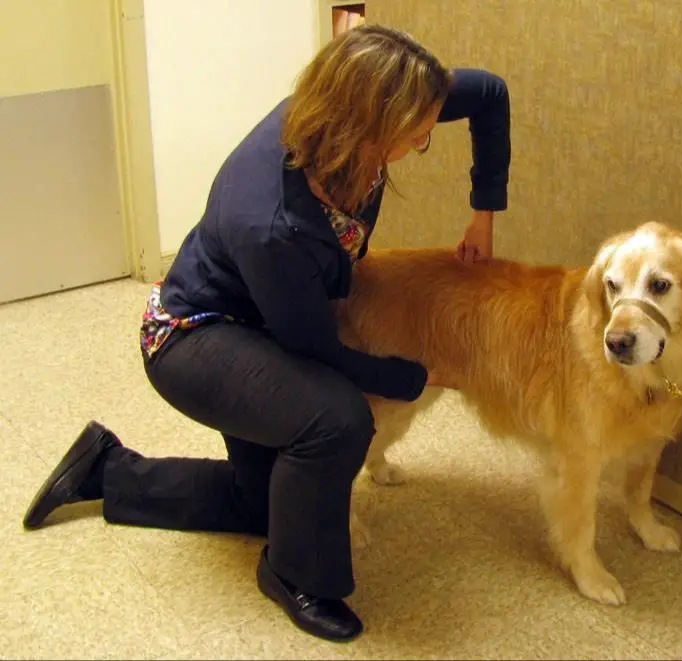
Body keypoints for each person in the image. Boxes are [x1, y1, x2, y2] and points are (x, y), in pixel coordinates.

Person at [22, 24, 511, 642]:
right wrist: (421, 374)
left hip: (267, 316)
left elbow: (491, 95)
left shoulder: (361, 108)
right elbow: (316, 348)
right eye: (416, 134)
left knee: (271, 505)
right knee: (336, 422)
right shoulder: (272, 218)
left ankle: (106, 470)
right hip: (195, 337)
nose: (424, 140)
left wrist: (483, 213)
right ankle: (295, 575)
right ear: (366, 120)